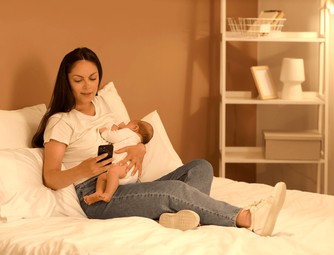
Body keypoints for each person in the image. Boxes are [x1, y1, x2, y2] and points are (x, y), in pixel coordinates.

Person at [32, 47, 286, 236]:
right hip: (100, 194)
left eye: (93, 77)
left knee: (201, 167)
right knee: (173, 191)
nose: (88, 86)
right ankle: (246, 217)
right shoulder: (61, 122)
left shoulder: (101, 102)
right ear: (66, 81)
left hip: (129, 182)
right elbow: (51, 177)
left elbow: (127, 132)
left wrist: (140, 148)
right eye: (78, 80)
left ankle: (175, 217)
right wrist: (83, 169)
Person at [83, 119, 154, 205]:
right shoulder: (136, 141)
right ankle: (98, 193)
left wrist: (104, 132)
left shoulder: (129, 133)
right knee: (102, 176)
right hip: (127, 173)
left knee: (113, 172)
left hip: (125, 167)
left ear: (135, 128)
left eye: (128, 124)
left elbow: (113, 137)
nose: (124, 126)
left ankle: (108, 194)